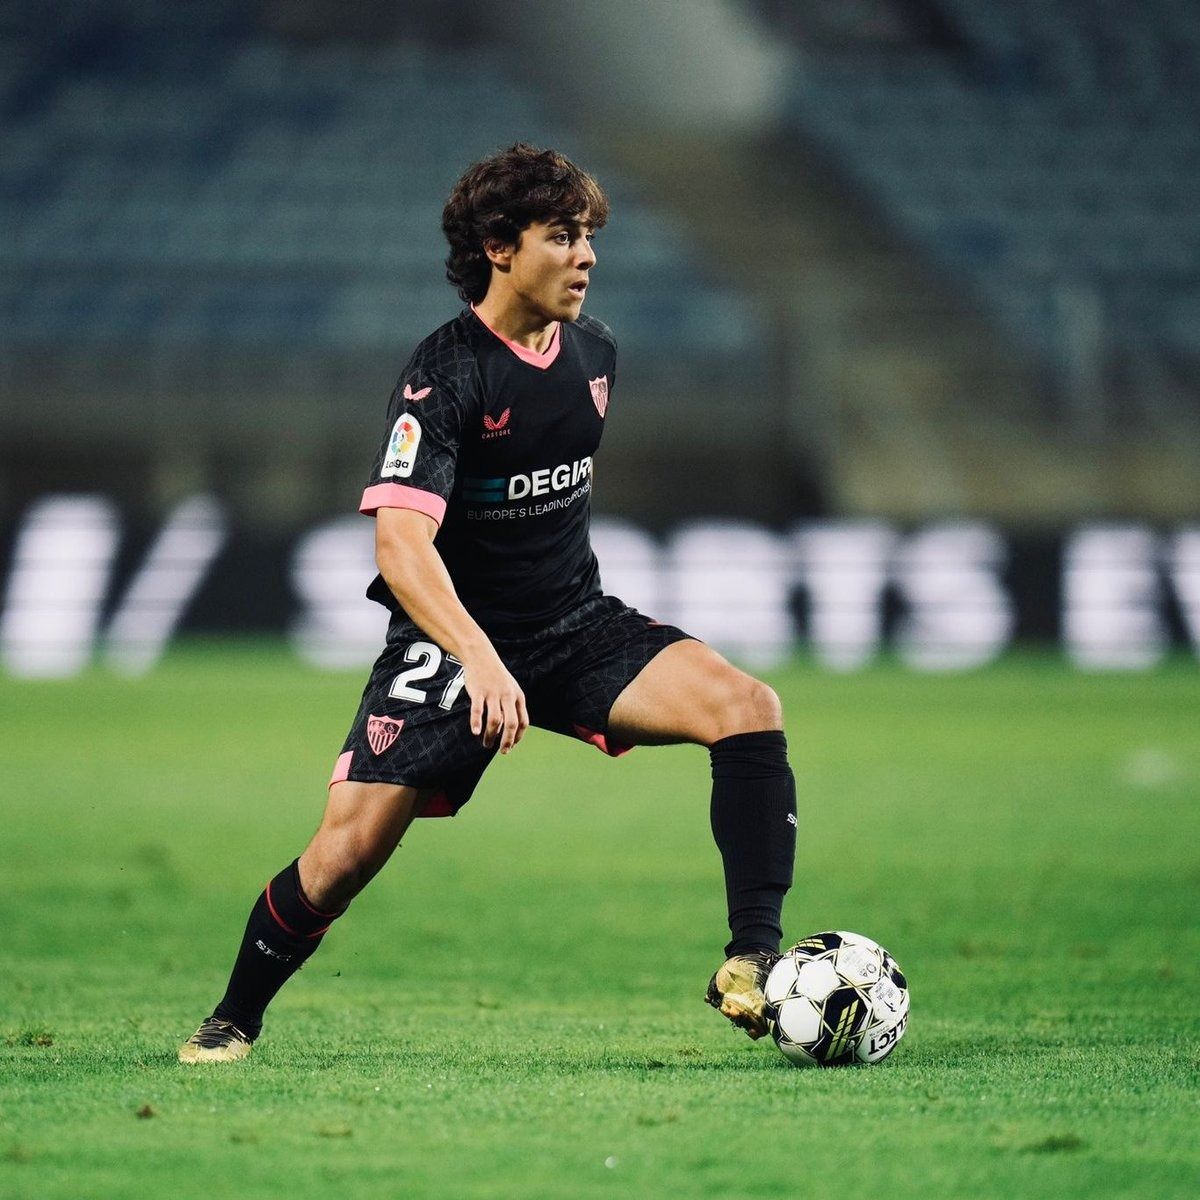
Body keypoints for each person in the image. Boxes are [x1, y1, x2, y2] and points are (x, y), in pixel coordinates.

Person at [179, 143, 796, 1063]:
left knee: (749, 708)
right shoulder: (443, 376)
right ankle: (233, 1017)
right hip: (454, 646)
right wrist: (479, 655)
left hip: (575, 625)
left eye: (588, 236)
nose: (586, 256)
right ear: (499, 248)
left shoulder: (596, 353)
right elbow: (400, 543)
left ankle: (752, 959)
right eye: (562, 236)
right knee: (344, 855)